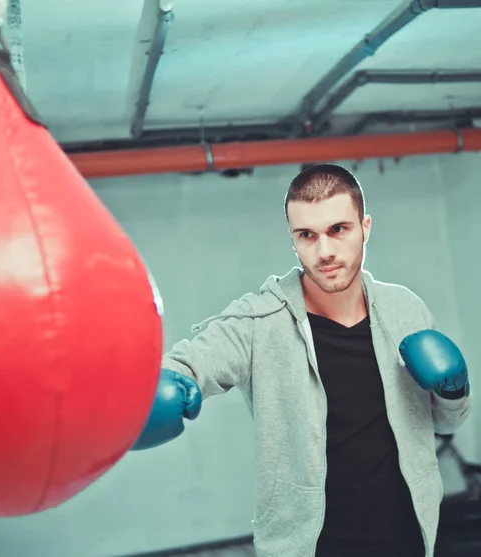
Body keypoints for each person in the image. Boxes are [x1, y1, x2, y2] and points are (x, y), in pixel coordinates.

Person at [131, 164, 472, 557]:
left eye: (338, 229)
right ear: (293, 240)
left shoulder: (405, 310)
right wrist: (162, 388)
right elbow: (191, 363)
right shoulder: (257, 323)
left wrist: (454, 388)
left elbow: (447, 422)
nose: (324, 251)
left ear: (366, 227)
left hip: (411, 540)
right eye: (307, 235)